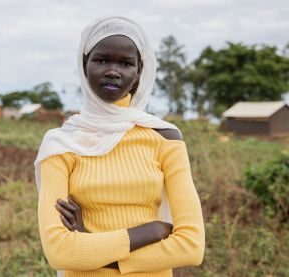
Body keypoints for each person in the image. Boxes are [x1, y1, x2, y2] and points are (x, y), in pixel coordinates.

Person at [34, 16, 205, 277]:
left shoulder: (165, 138)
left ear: (138, 73)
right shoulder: (61, 144)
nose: (113, 70)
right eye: (102, 59)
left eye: (126, 63)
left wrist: (88, 245)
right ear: (84, 65)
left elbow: (191, 247)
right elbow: (59, 252)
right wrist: (148, 232)